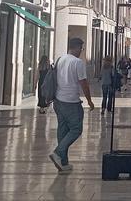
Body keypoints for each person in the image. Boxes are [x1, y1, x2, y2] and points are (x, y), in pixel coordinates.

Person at [49, 38, 94, 174]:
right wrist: (89, 101)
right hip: (71, 102)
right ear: (77, 48)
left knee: (62, 130)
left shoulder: (60, 59)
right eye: (81, 48)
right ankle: (58, 152)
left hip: (58, 100)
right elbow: (83, 83)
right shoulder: (77, 62)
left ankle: (63, 163)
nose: (81, 51)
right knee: (76, 129)